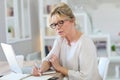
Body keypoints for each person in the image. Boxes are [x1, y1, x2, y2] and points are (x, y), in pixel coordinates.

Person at [32, 2, 102, 80]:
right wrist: (40, 70)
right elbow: (48, 60)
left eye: (61, 22)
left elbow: (85, 77)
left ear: (72, 20)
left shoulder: (85, 43)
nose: (57, 27)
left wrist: (59, 68)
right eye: (54, 25)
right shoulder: (60, 40)